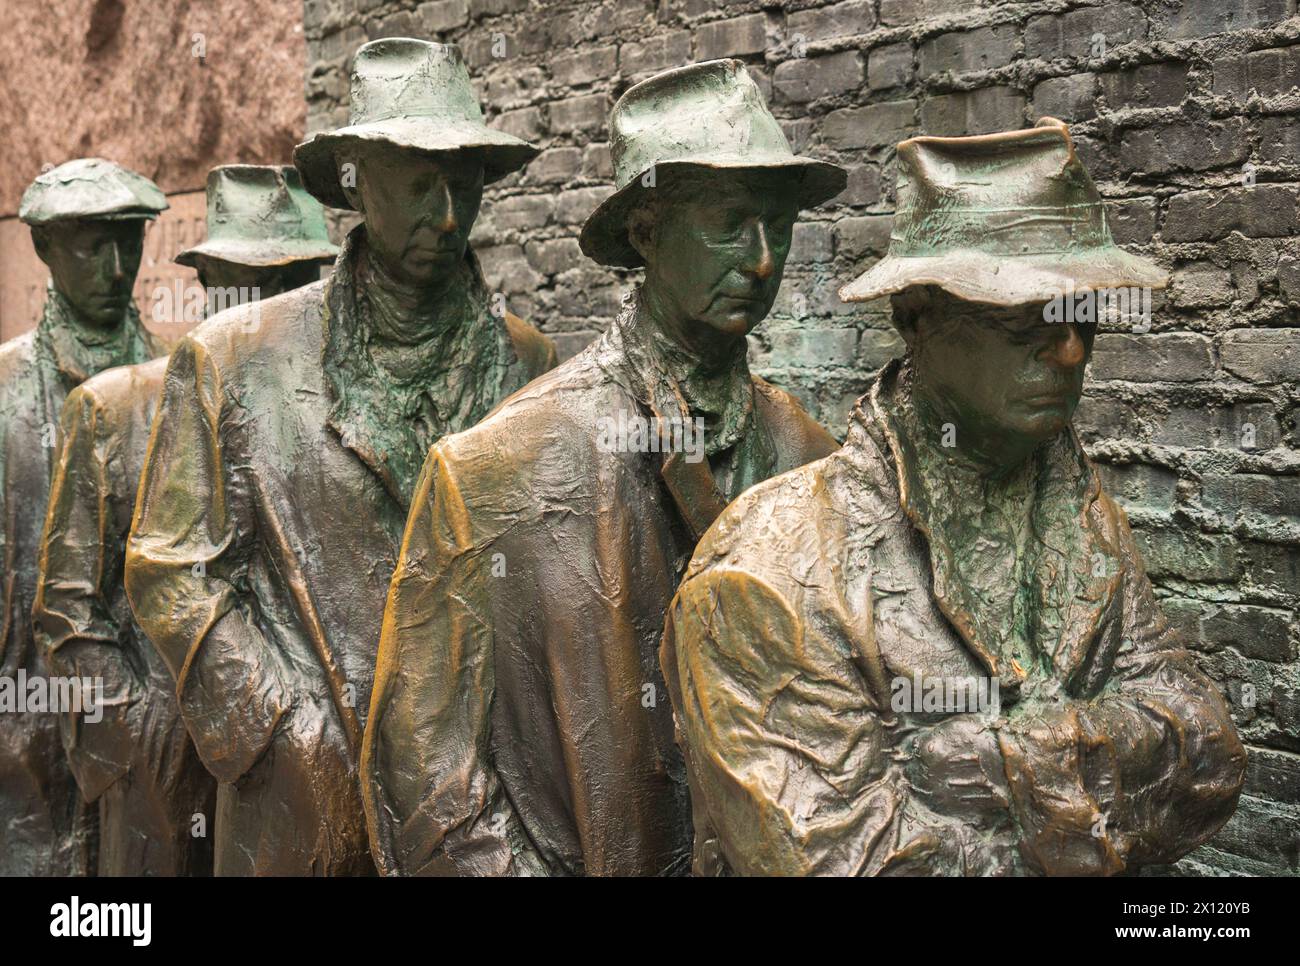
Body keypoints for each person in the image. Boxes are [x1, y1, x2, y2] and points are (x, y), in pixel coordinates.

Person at [660, 119, 1247, 876]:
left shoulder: (1078, 511)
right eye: (1021, 315)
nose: (1069, 351)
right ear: (918, 318)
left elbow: (1210, 755)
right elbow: (849, 862)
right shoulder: (768, 573)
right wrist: (1104, 786)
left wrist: (1010, 760)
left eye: (1082, 314)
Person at [362, 59, 844, 877]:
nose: (763, 260)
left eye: (779, 225)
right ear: (647, 233)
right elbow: (423, 765)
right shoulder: (494, 469)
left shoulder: (813, 457)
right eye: (730, 222)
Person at [124, 39, 555, 876]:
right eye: (419, 179)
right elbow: (168, 568)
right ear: (357, 176)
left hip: (483, 810)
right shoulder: (232, 360)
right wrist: (285, 729)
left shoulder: (531, 366)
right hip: (300, 809)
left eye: (464, 183)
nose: (448, 213)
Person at [32, 164, 338, 876]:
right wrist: (135, 739)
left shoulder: (324, 415)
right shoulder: (119, 408)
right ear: (209, 284)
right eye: (249, 282)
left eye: (293, 282)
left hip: (283, 757)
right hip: (164, 760)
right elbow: (69, 611)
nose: (272, 302)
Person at [0, 158, 168, 876]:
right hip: (27, 705)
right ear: (43, 249)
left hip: (145, 712)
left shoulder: (176, 377)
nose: (113, 266)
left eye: (127, 243)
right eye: (88, 246)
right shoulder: (6, 391)